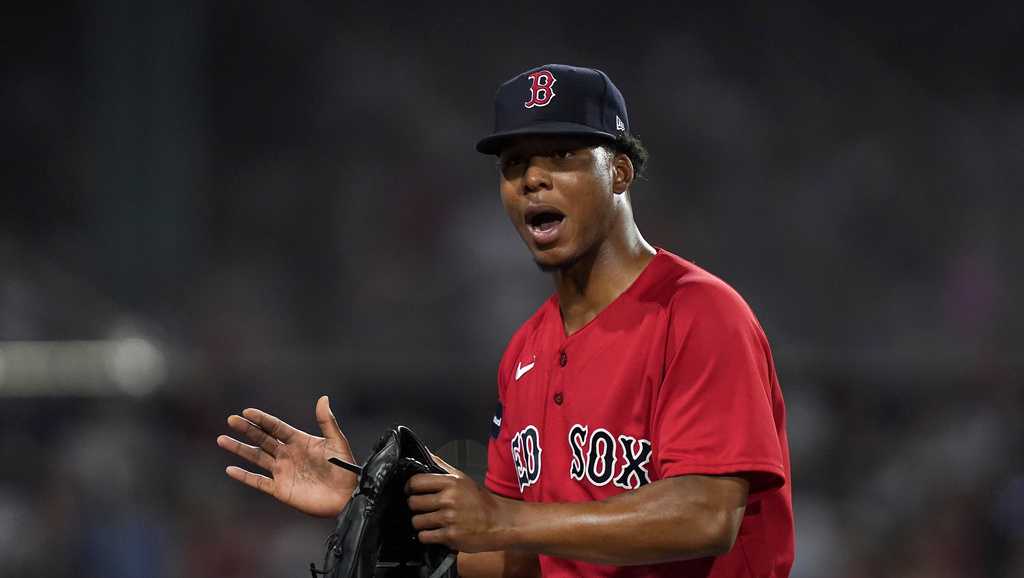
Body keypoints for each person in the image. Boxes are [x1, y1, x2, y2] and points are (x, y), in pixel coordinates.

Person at [218, 64, 794, 577]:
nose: (532, 178)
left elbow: (707, 515)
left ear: (619, 172)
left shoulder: (696, 312)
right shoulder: (526, 350)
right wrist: (372, 496)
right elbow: (511, 555)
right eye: (515, 162)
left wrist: (507, 519)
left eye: (562, 156)